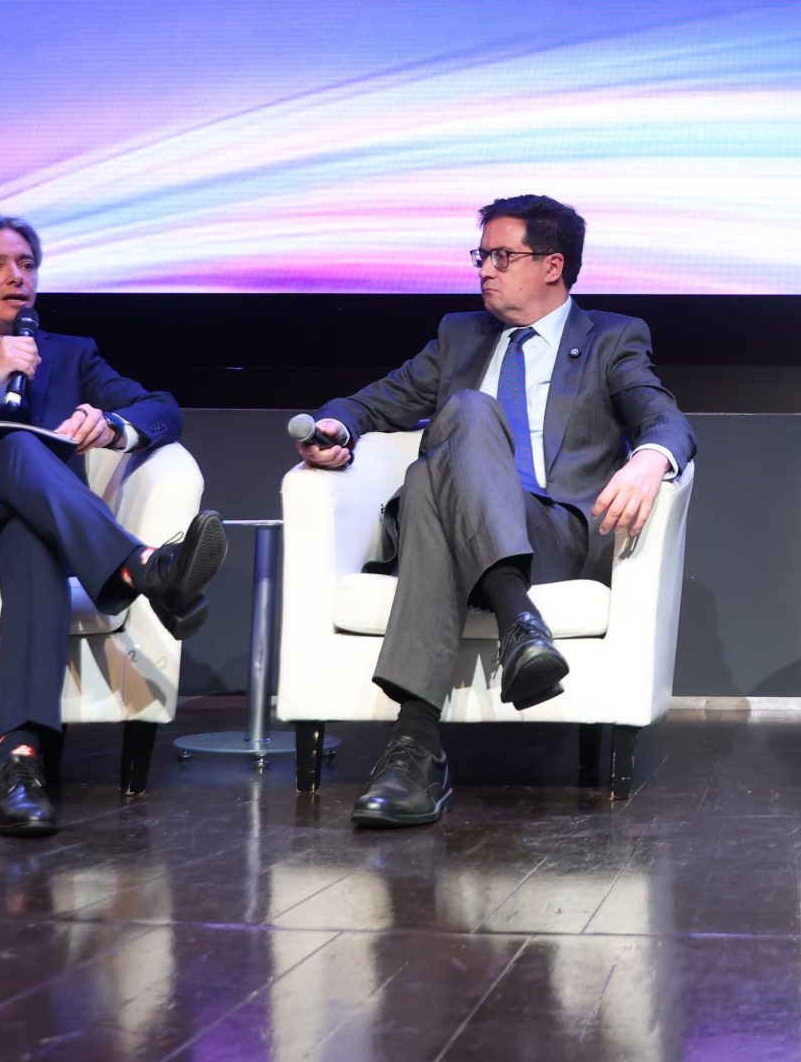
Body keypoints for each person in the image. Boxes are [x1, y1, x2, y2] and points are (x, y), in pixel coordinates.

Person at [295, 194, 695, 828]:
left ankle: (416, 747)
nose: (484, 268)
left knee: (453, 439)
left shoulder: (612, 338)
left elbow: (663, 416)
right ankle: (508, 636)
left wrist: (649, 461)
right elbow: (371, 404)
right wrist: (333, 429)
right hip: (456, 525)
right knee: (444, 457)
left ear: (552, 265)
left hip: (554, 533)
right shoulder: (460, 336)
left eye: (501, 256)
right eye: (480, 255)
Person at [0, 213, 224, 837]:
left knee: (33, 544)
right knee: (20, 448)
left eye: (26, 265)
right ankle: (141, 567)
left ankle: (17, 764)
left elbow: (160, 408)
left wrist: (114, 428)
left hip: (20, 535)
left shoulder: (71, 354)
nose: (16, 277)